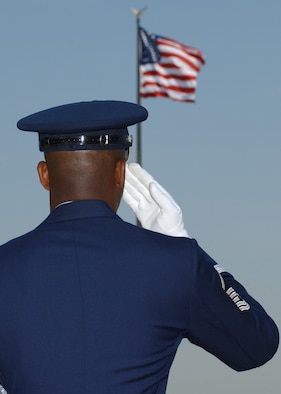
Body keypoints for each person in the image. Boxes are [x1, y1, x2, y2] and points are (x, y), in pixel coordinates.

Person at [0, 100, 278, 394]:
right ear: (120, 172)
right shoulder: (174, 263)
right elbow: (257, 345)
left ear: (44, 175)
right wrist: (186, 247)